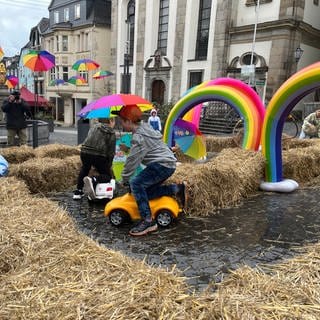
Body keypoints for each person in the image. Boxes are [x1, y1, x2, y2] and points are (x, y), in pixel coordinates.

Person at [112, 105, 186, 236]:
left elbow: (132, 162)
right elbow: (144, 151)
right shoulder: (145, 128)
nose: (121, 124)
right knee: (144, 191)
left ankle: (148, 221)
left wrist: (123, 179)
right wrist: (128, 149)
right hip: (167, 164)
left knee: (136, 184)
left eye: (122, 121)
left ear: (129, 121)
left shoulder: (139, 137)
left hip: (162, 165)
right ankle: (176, 189)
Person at [73, 117, 116, 200]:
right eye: (114, 121)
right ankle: (93, 180)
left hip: (84, 152)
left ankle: (78, 192)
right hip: (98, 155)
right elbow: (111, 152)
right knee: (107, 176)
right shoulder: (111, 132)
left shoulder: (94, 127)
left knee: (85, 169)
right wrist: (109, 165)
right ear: (111, 121)